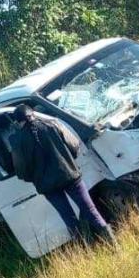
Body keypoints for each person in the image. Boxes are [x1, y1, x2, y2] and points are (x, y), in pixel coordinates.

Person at [9, 104, 115, 245]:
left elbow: (22, 172)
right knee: (91, 211)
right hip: (70, 176)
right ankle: (114, 246)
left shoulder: (17, 141)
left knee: (69, 219)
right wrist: (68, 160)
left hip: (47, 187)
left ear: (18, 122)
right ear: (33, 114)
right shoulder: (52, 124)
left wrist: (36, 177)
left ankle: (88, 252)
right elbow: (74, 146)